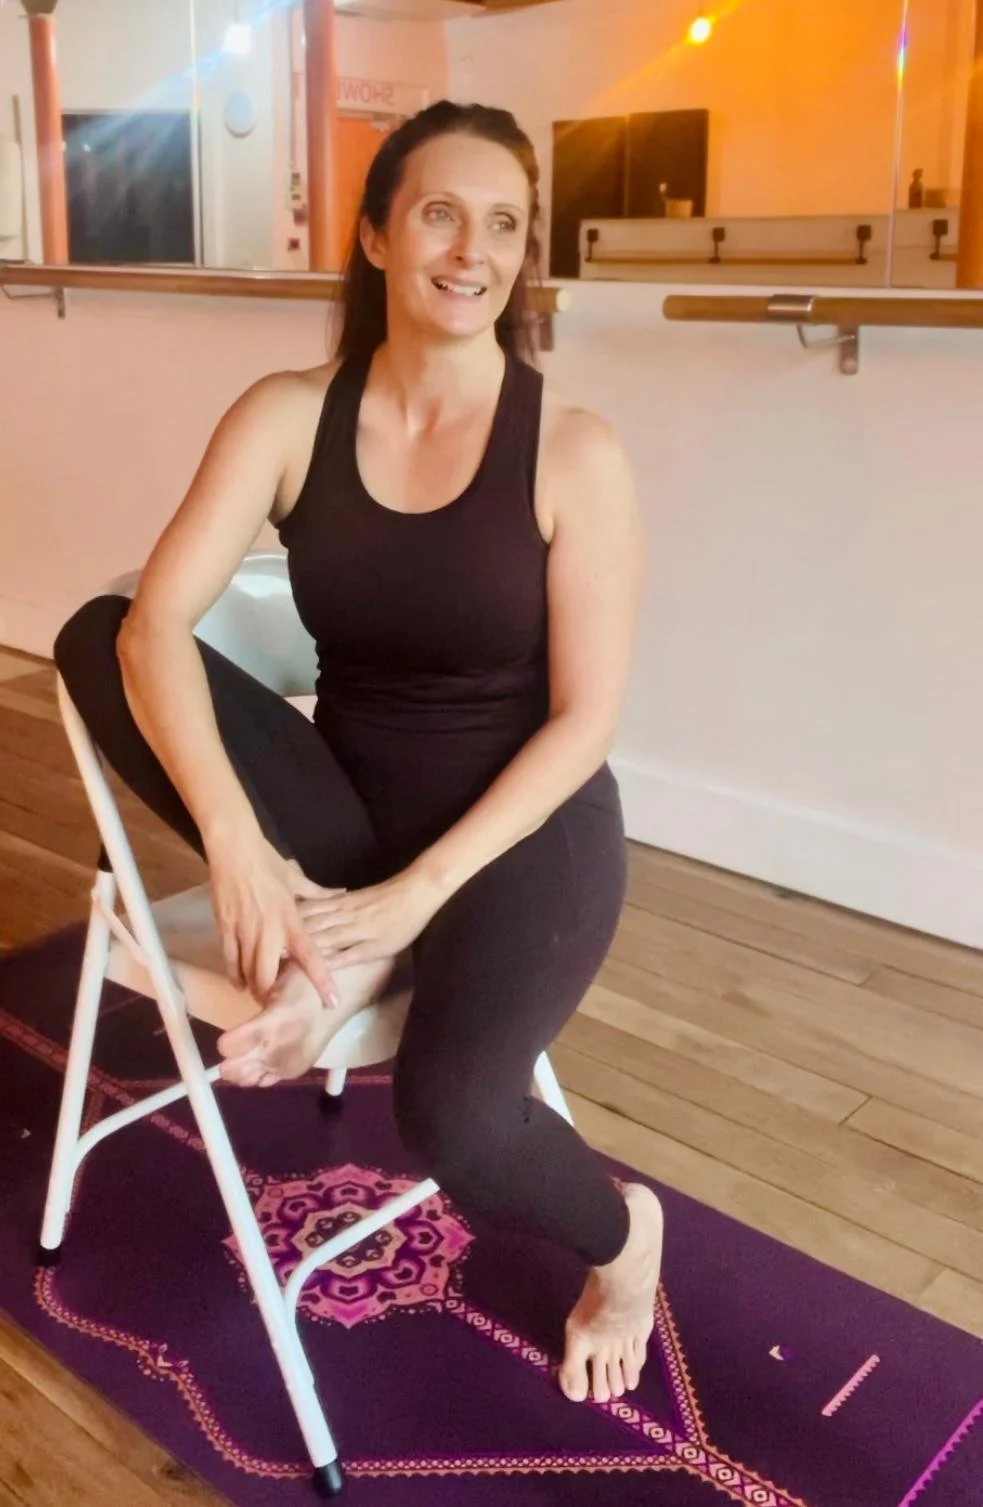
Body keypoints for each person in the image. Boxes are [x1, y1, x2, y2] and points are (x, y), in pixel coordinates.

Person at [53, 100, 663, 1408]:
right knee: (96, 631)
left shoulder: (572, 449)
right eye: (440, 211)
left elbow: (582, 723)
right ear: (377, 233)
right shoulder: (286, 415)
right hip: (338, 816)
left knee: (453, 1117)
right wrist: (242, 855)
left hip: (520, 841)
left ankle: (627, 1240)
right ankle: (328, 946)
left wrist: (409, 901)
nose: (472, 249)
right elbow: (150, 627)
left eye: (504, 223)